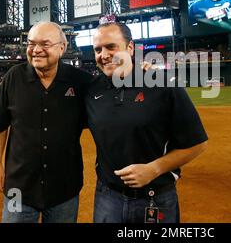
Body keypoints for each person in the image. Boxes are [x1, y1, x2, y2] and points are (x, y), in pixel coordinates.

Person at [85, 22, 208, 223]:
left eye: (111, 47)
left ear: (130, 48)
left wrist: (154, 169)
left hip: (156, 197)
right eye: (97, 49)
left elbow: (198, 143)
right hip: (107, 197)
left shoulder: (163, 85)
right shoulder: (91, 90)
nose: (103, 54)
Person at [0, 21, 94, 223]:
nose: (36, 50)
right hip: (18, 188)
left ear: (62, 48)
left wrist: (143, 76)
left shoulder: (81, 81)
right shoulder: (13, 77)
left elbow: (110, 108)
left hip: (64, 188)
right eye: (31, 44)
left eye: (45, 44)